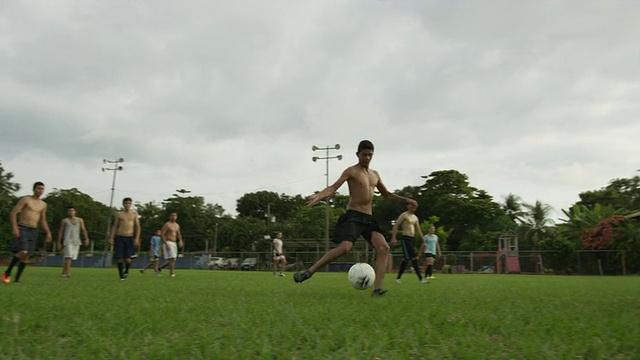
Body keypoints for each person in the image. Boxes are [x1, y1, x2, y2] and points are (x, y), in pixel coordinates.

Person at [294, 140, 418, 296]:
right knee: (345, 248)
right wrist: (319, 195)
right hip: (353, 216)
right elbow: (333, 187)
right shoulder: (351, 171)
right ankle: (309, 271)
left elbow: (387, 195)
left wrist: (406, 200)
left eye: (370, 155)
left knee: (383, 248)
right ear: (357, 155)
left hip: (368, 218)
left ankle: (377, 289)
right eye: (364, 154)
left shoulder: (375, 175)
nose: (367, 158)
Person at [2, 181, 53, 284]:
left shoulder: (43, 204)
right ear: (34, 189)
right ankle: (8, 272)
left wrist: (48, 233)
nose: (40, 191)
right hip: (23, 227)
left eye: (42, 189)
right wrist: (15, 227)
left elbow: (43, 220)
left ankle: (17, 279)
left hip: (34, 229)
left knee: (26, 256)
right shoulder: (26, 200)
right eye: (38, 188)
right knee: (23, 251)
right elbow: (13, 213)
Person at [391, 203, 427, 284]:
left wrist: (423, 241)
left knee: (406, 259)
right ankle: (421, 279)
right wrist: (394, 237)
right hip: (405, 239)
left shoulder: (415, 218)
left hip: (412, 239)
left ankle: (398, 279)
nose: (413, 207)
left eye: (414, 206)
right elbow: (396, 225)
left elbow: (418, 230)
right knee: (414, 257)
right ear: (407, 206)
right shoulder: (404, 215)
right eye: (411, 205)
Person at [108, 197, 141, 281]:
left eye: (129, 203)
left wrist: (137, 238)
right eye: (126, 203)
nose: (127, 205)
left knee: (128, 258)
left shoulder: (134, 214)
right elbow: (115, 226)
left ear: (131, 204)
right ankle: (121, 276)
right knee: (119, 257)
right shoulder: (119, 214)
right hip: (120, 236)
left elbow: (138, 226)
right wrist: (111, 237)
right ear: (123, 204)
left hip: (129, 237)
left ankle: (126, 270)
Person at [57, 206, 90, 278]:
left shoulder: (80, 220)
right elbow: (61, 232)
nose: (71, 212)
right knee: (68, 256)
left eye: (72, 210)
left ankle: (64, 272)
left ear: (75, 212)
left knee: (71, 257)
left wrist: (86, 238)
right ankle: (67, 273)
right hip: (68, 240)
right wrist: (59, 242)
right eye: (69, 211)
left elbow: (83, 230)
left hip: (76, 240)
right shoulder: (65, 221)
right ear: (67, 212)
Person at [158, 213, 183, 278]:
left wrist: (180, 241)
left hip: (174, 243)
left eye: (175, 216)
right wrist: (166, 244)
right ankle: (172, 273)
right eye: (172, 216)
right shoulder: (167, 225)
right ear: (170, 216)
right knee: (172, 258)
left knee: (173, 259)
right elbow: (162, 234)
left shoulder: (177, 225)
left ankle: (159, 268)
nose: (174, 217)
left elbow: (178, 234)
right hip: (168, 242)